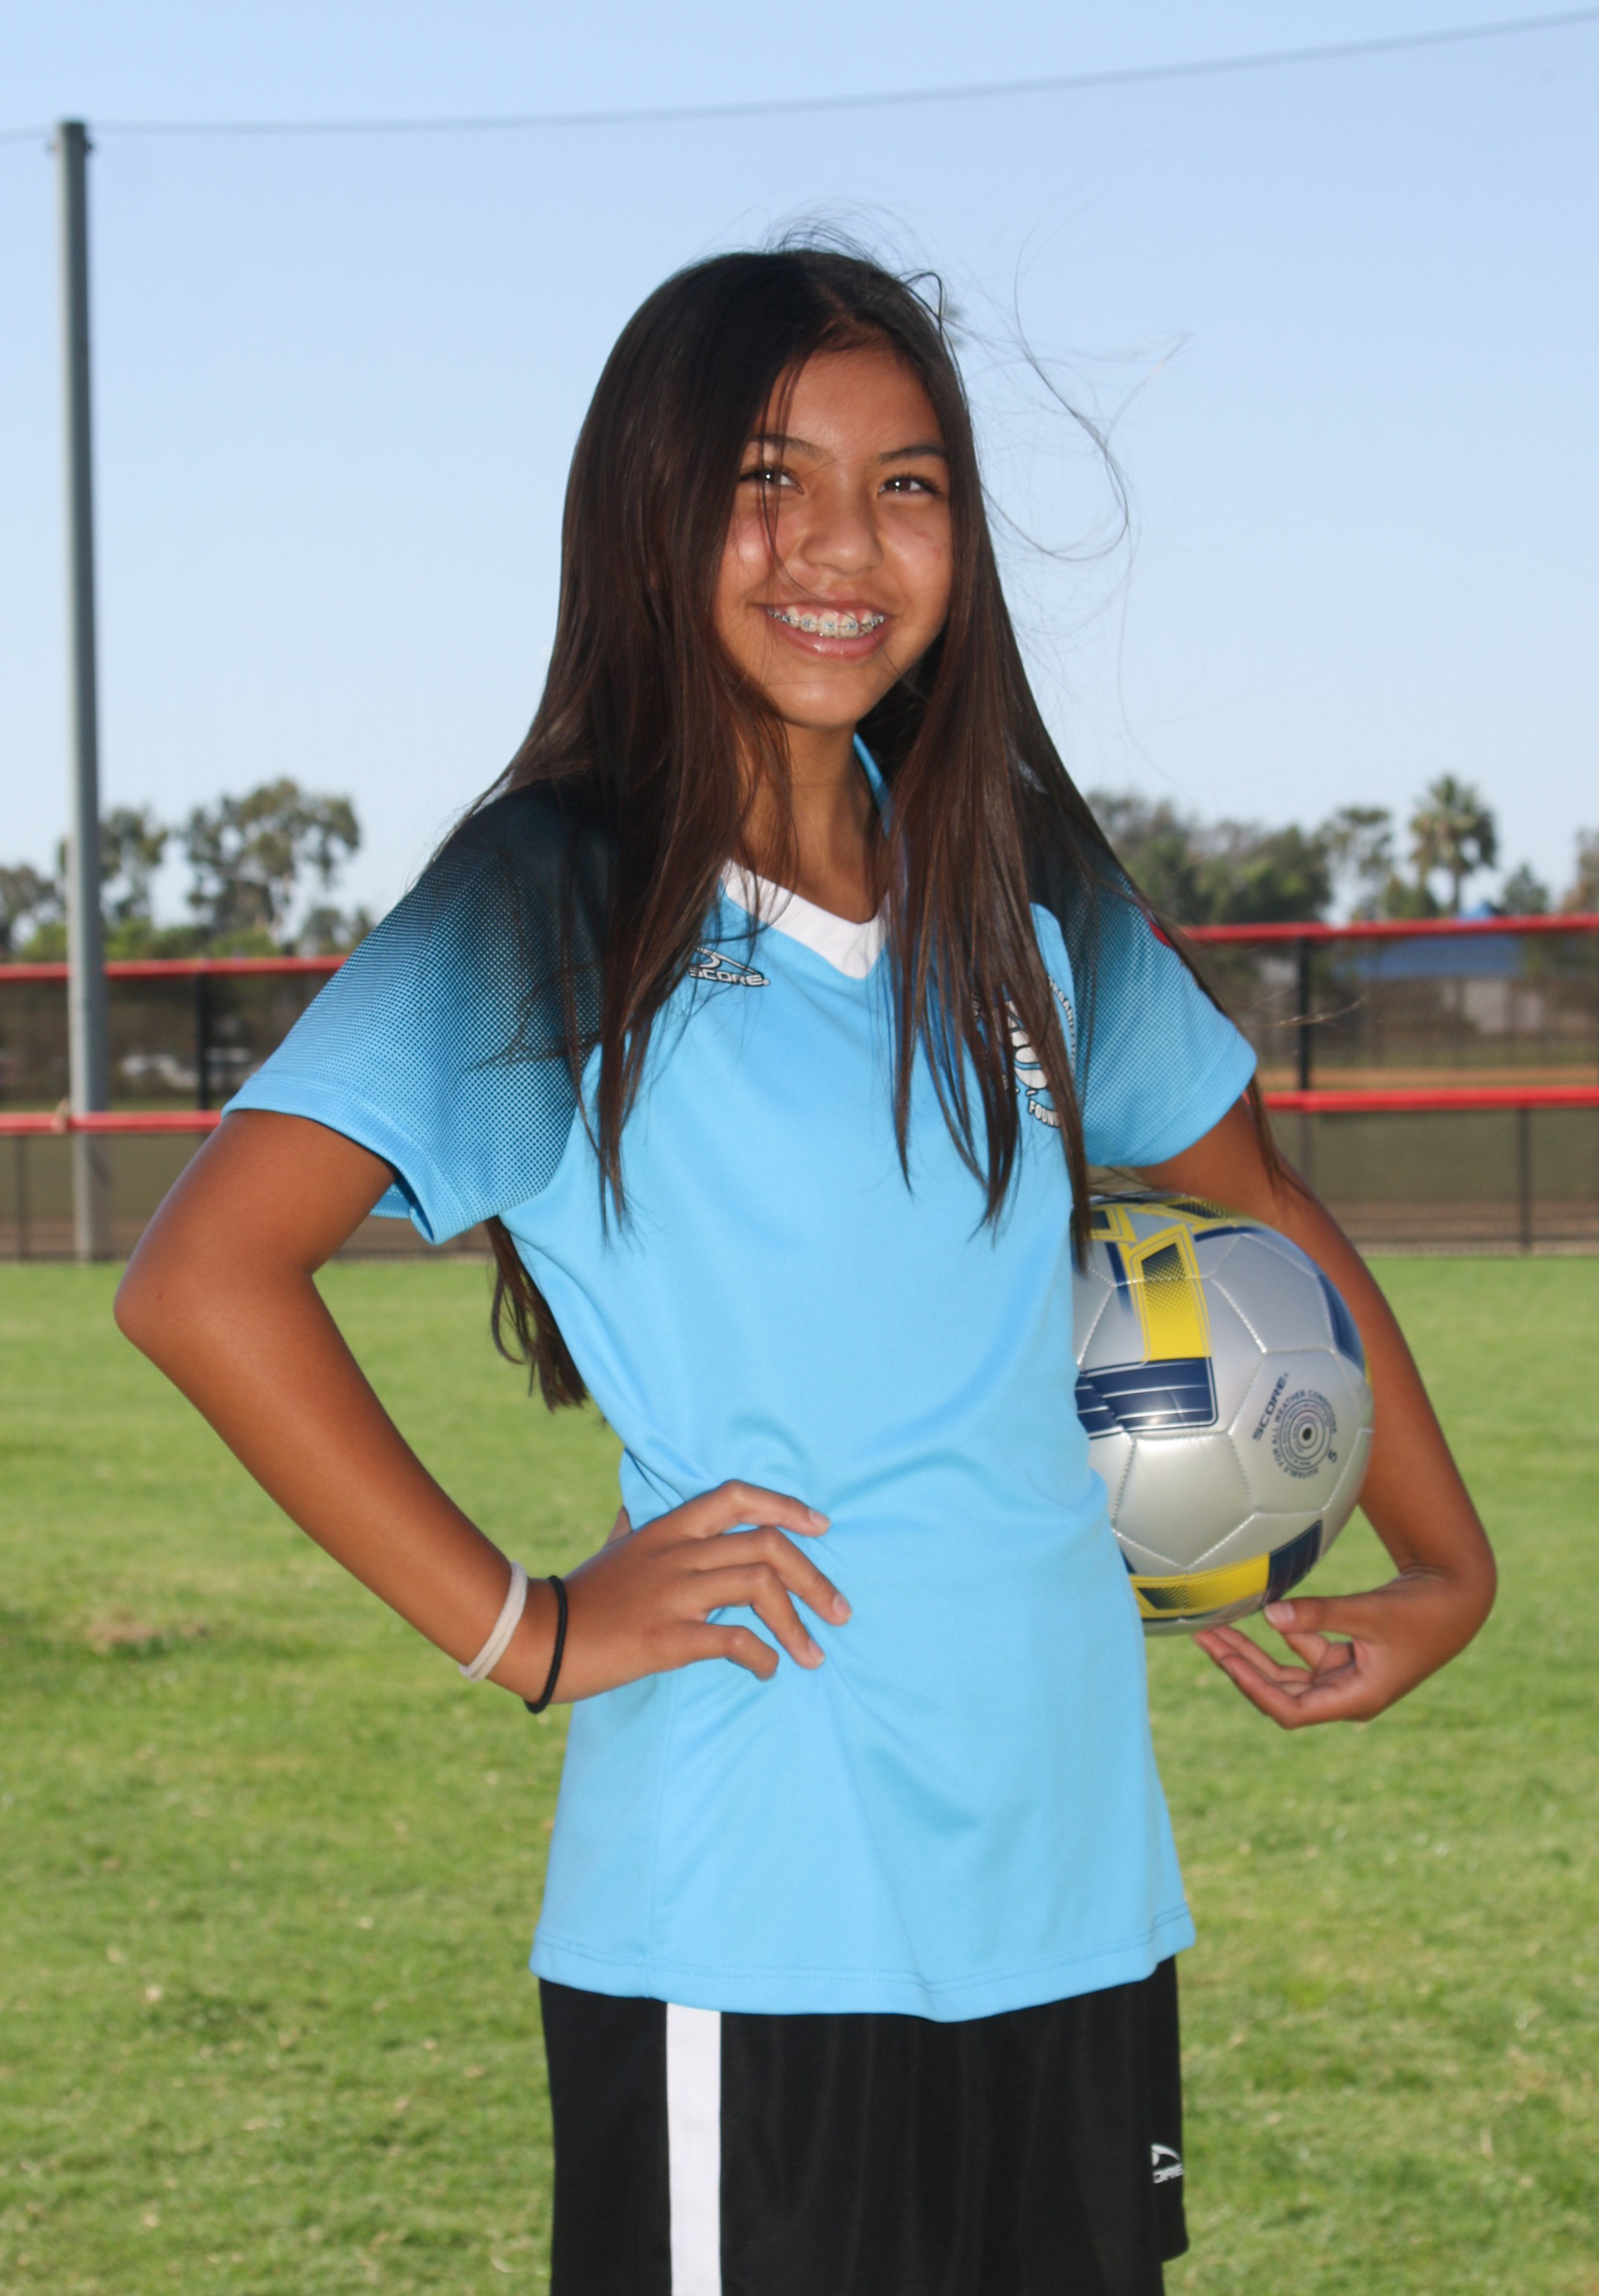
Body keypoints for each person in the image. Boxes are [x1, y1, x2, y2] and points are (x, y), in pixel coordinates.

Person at [114, 247, 1495, 2296]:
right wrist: (530, 1629)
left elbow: (1262, 1206)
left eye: (906, 483)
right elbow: (204, 1276)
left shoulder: (1016, 867)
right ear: (649, 516)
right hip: (752, 1910)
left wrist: (1446, 1562)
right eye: (771, 478)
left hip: (1073, 1890)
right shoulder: (560, 892)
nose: (842, 545)